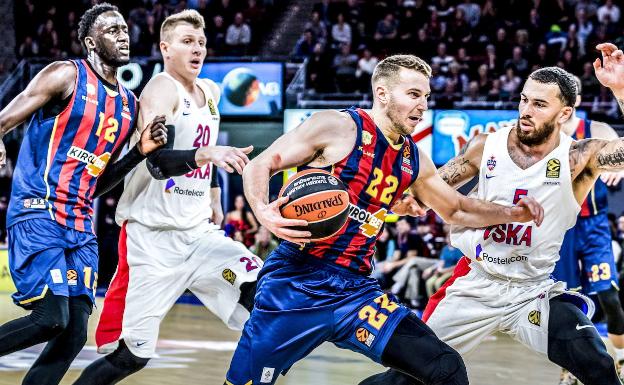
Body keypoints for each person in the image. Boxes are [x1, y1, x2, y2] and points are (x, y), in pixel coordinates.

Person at [224, 54, 544, 385]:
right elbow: (261, 164)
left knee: (444, 367)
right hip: (296, 282)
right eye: (413, 94)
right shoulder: (336, 126)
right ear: (383, 94)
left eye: (426, 97)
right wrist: (264, 212)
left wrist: (514, 213)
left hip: (356, 293)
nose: (422, 106)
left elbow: (457, 209)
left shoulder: (412, 158)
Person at [361, 48, 624, 385]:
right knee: (405, 380)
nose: (526, 111)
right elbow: (429, 191)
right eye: (524, 100)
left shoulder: (578, 157)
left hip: (533, 291)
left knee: (598, 364)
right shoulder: (484, 146)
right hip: (476, 284)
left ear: (564, 114)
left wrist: (619, 89)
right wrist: (404, 201)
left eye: (539, 105)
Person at [72, 10, 259, 385]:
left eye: (202, 43)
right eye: (187, 42)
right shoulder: (160, 89)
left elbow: (207, 143)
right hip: (152, 239)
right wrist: (208, 158)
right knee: (131, 357)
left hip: (198, 234)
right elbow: (157, 162)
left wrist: (216, 194)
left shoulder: (211, 92)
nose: (197, 49)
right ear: (165, 47)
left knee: (263, 288)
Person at [0, 4, 167, 385]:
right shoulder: (65, 74)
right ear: (91, 41)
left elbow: (99, 181)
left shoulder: (129, 103)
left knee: (74, 334)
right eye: (112, 30)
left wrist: (139, 153)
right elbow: (5, 119)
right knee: (50, 318)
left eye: (125, 28)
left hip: (80, 222)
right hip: (38, 209)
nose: (123, 35)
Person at [553, 76, 624, 385]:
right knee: (569, 300)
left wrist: (619, 168)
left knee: (608, 293)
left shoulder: (596, 130)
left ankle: (620, 357)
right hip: (561, 227)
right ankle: (574, 365)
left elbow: (619, 153)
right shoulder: (544, 136)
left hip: (593, 224)